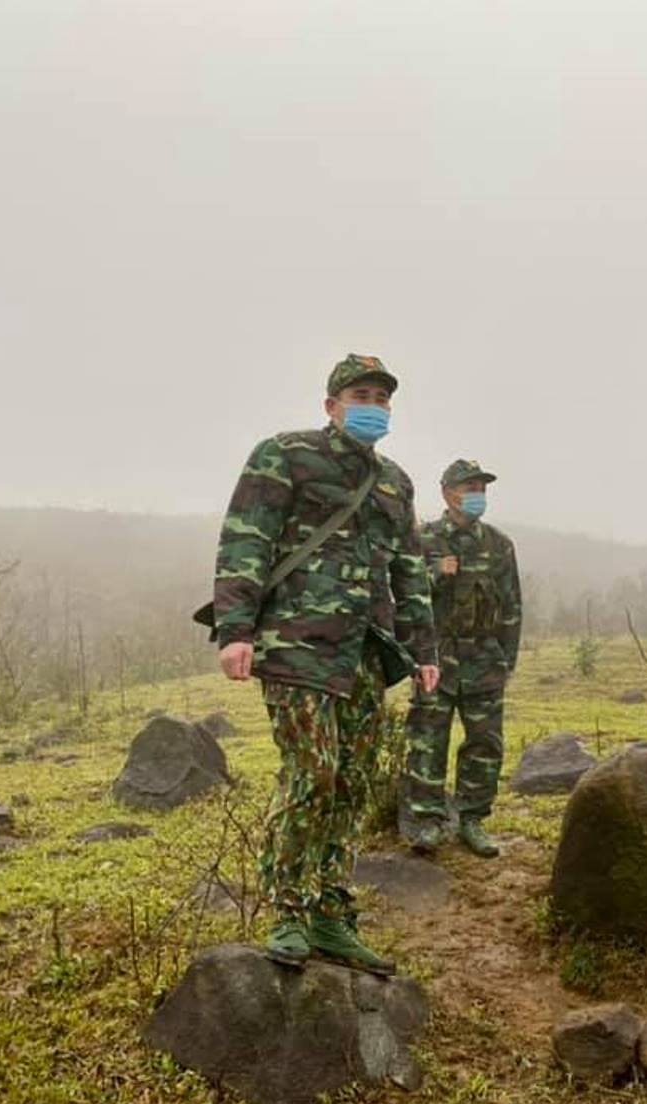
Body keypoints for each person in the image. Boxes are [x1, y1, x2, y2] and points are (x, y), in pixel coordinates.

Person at [213, 354, 440, 973]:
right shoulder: (283, 455)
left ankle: (332, 916)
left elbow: (408, 570)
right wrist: (236, 631)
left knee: (352, 783)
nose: (374, 405)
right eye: (361, 394)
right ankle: (288, 909)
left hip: (367, 654)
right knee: (311, 774)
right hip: (297, 646)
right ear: (332, 404)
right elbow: (246, 539)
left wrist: (424, 650)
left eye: (383, 397)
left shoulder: (395, 482)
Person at [402, 460, 522, 858]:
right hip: (436, 658)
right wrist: (436, 573)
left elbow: (512, 607)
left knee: (485, 743)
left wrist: (507, 659)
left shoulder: (500, 545)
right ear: (446, 492)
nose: (476, 495)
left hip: (485, 659)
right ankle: (429, 821)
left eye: (481, 488)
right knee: (428, 740)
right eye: (468, 487)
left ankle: (472, 819)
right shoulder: (425, 540)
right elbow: (403, 596)